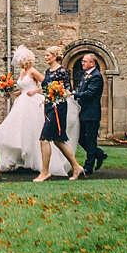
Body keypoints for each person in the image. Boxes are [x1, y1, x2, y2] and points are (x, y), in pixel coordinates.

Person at [0, 45, 78, 175]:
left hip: (44, 104)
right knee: (29, 133)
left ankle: (48, 169)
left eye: (48, 55)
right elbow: (41, 86)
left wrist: (35, 91)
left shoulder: (36, 71)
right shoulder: (34, 72)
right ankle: (30, 162)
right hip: (27, 102)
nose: (18, 63)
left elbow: (47, 85)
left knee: (46, 137)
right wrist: (12, 93)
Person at [33, 46, 86, 182]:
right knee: (58, 140)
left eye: (48, 55)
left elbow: (68, 90)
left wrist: (57, 95)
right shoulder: (47, 71)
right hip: (49, 106)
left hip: (58, 108)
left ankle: (45, 172)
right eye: (45, 55)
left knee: (44, 138)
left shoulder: (62, 71)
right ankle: (76, 166)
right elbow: (45, 88)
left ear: (55, 56)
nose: (46, 58)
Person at [73, 53, 107, 175]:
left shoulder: (96, 76)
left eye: (85, 61)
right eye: (82, 61)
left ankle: (89, 166)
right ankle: (99, 154)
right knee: (80, 137)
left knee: (91, 140)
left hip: (91, 113)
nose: (82, 63)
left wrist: (74, 95)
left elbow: (90, 93)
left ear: (92, 63)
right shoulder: (86, 75)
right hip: (83, 112)